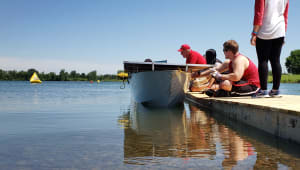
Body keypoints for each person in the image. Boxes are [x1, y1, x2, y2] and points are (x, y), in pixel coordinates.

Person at [192, 40, 260, 97]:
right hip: (242, 84)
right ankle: (221, 92)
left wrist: (220, 76)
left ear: (229, 51)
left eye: (224, 50)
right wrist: (198, 74)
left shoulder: (239, 60)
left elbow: (236, 77)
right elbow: (213, 70)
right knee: (221, 85)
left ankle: (223, 92)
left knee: (225, 83)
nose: (223, 52)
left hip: (253, 87)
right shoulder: (229, 62)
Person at [250, 0, 289, 97]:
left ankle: (263, 91)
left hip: (265, 30)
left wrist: (254, 33)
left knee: (263, 60)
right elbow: (285, 15)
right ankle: (275, 90)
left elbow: (259, 13)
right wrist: (284, 33)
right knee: (276, 60)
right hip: (280, 30)